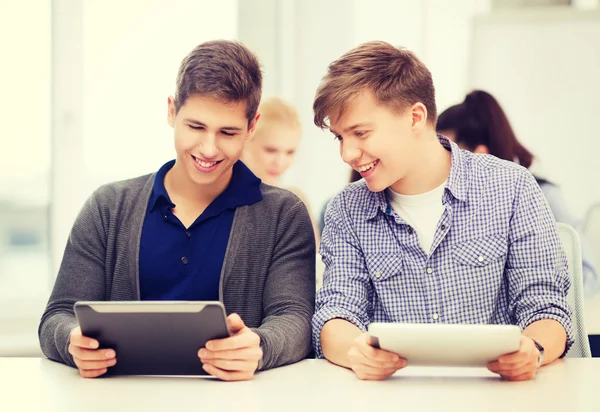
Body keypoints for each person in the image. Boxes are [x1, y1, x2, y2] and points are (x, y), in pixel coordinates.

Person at [39, 40, 316, 381]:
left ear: (252, 126)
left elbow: (296, 320)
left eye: (228, 132)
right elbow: (57, 316)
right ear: (172, 111)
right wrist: (72, 341)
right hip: (119, 400)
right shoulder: (108, 207)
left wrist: (260, 345)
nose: (209, 149)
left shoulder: (284, 215)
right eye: (195, 127)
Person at [312, 41, 572, 381]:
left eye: (360, 133)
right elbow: (336, 312)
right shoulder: (346, 209)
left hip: (496, 395)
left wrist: (534, 350)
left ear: (415, 118)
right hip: (392, 396)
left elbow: (546, 306)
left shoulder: (511, 187)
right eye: (339, 138)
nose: (347, 154)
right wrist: (355, 351)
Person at [437, 90, 598, 296]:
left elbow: (588, 275)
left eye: (445, 152)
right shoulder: (449, 205)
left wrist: (537, 299)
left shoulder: (540, 195)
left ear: (479, 155)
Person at [241, 96, 320, 246]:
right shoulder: (220, 197)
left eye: (289, 152)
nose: (280, 162)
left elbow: (313, 263)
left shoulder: (296, 202)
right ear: (246, 141)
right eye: (271, 150)